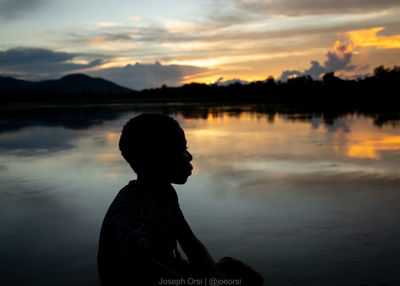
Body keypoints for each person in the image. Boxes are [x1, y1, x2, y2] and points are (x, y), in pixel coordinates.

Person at [97, 113, 263, 286]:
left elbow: (189, 242)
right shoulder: (138, 207)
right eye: (182, 149)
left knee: (235, 268)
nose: (189, 156)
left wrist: (214, 275)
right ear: (159, 158)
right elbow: (139, 263)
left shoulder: (165, 193)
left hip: (171, 269)